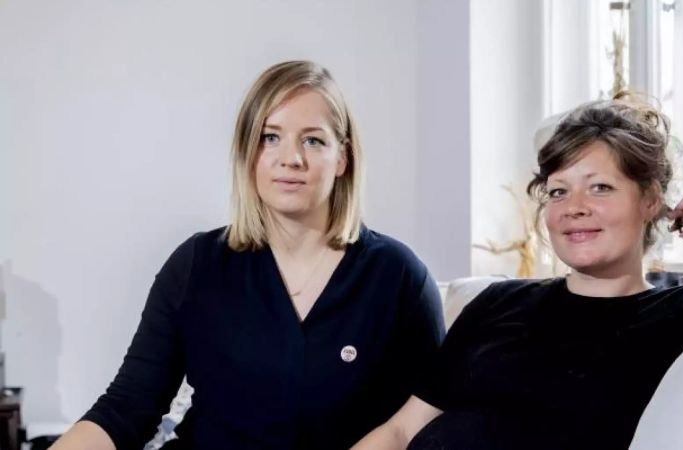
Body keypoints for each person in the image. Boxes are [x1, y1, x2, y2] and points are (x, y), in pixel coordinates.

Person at [354, 94, 683, 449]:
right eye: (557, 190)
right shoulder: (495, 305)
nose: (574, 207)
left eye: (600, 188)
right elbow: (399, 432)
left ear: (651, 200)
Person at [51, 61, 445, 450]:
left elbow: (421, 424)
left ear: (342, 158)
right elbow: (127, 408)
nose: (291, 158)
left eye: (313, 140)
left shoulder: (399, 278)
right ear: (247, 151)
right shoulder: (196, 265)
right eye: (270, 137)